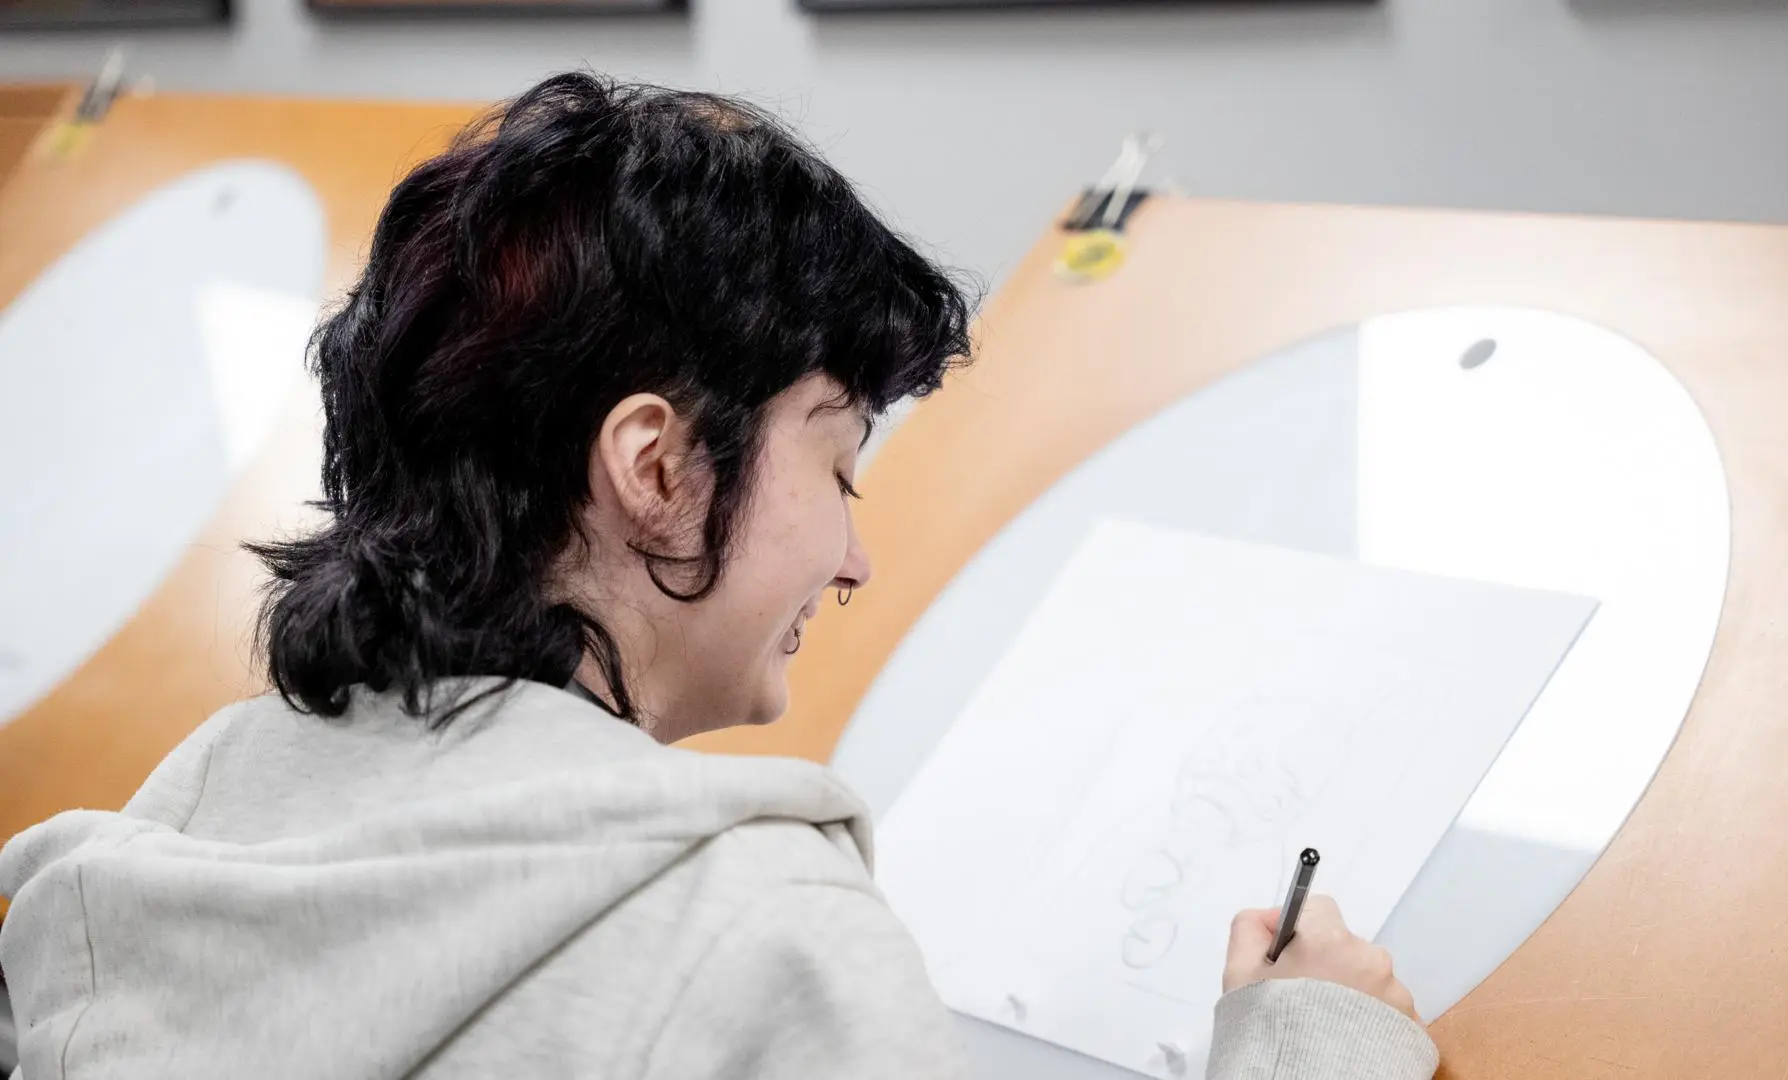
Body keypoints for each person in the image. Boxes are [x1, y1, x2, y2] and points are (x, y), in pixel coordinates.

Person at [0, 74, 1436, 1080]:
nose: (857, 553)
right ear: (660, 470)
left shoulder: (178, 825)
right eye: (836, 462)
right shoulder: (759, 936)